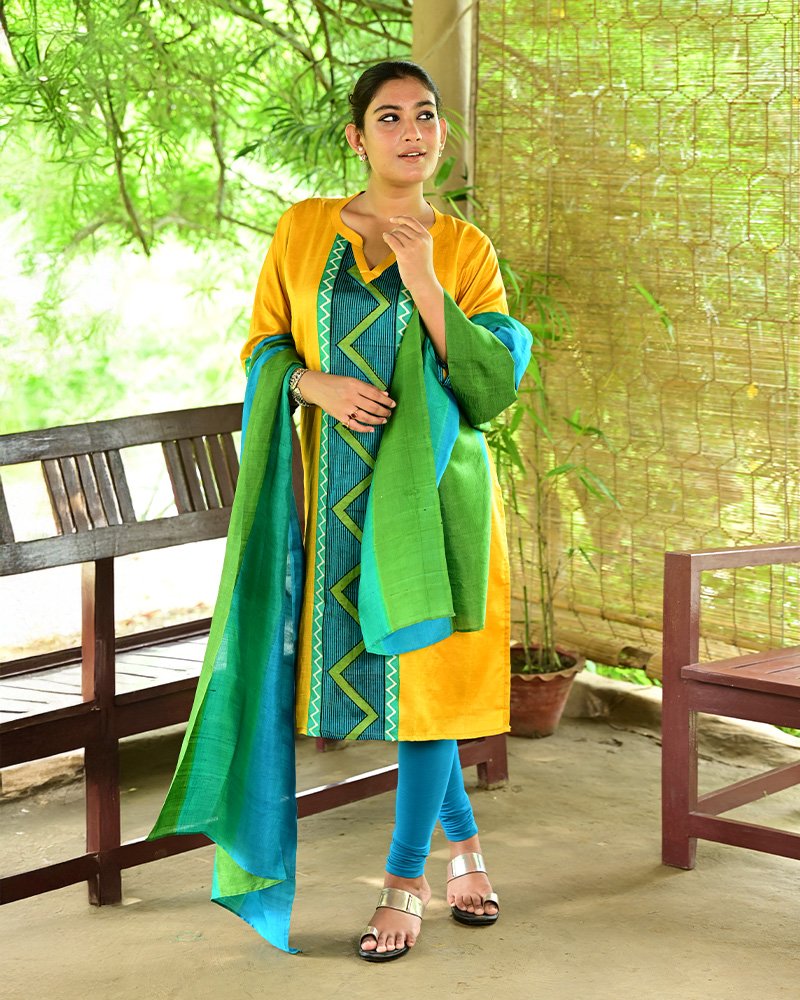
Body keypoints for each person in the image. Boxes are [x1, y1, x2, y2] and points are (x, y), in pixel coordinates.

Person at [147, 59, 531, 963]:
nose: (411, 131)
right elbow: (264, 345)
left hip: (436, 502)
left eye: (425, 115)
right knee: (404, 678)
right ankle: (466, 848)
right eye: (389, 117)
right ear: (358, 138)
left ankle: (404, 881)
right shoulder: (304, 228)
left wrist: (425, 279)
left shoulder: (465, 248)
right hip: (333, 502)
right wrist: (310, 383)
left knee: (424, 672)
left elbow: (489, 383)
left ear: (441, 134)